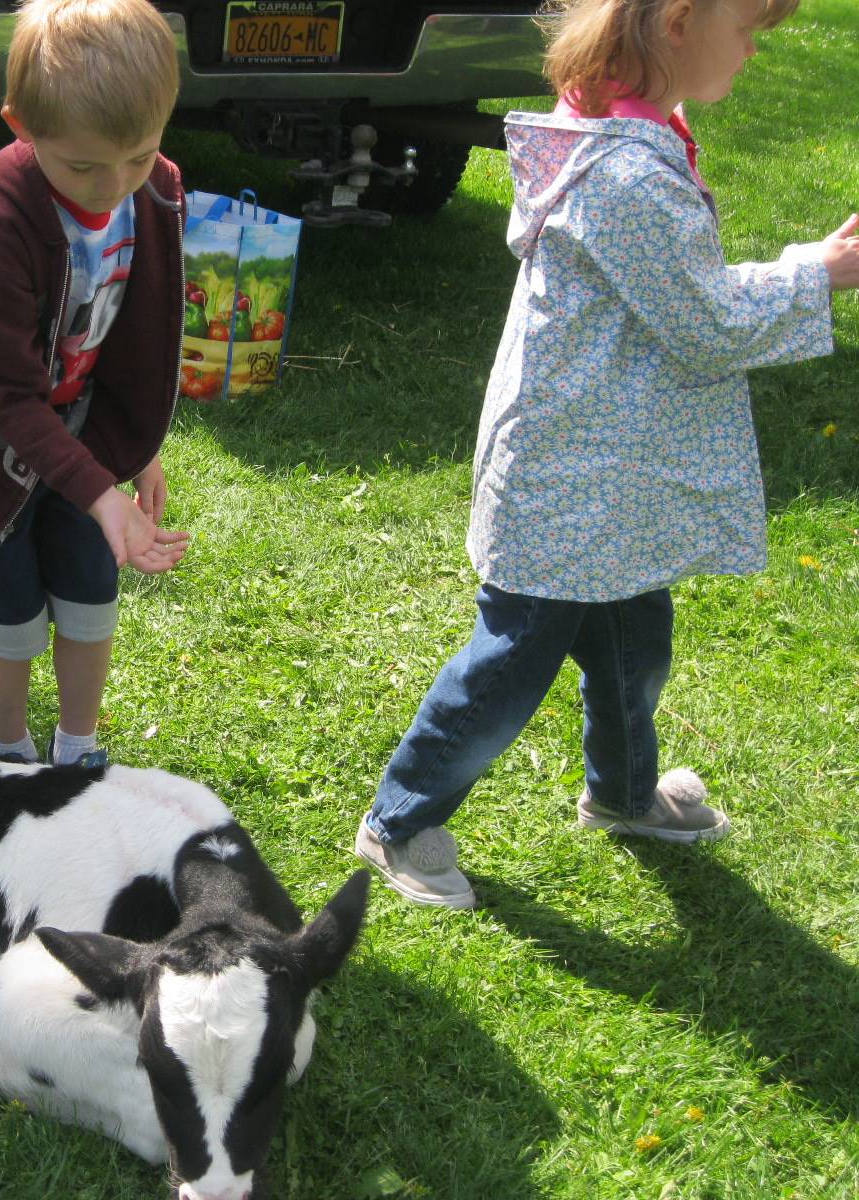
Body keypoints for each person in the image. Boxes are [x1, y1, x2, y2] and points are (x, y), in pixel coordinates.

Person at [353, 0, 859, 908]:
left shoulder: (630, 134)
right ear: (676, 22)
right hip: (571, 478)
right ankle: (397, 821)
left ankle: (622, 796)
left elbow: (680, 295)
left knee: (634, 644)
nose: (753, 50)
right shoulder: (626, 174)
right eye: (747, 28)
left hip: (608, 475)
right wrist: (814, 272)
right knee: (509, 663)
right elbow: (707, 322)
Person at [0, 0, 191, 768]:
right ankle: (10, 751)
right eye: (84, 165)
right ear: (19, 124)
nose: (113, 185)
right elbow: (0, 391)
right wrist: (100, 492)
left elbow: (137, 332)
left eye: (137, 155)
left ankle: (78, 746)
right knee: (8, 605)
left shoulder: (153, 189)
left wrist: (135, 448)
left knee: (91, 587)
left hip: (83, 427)